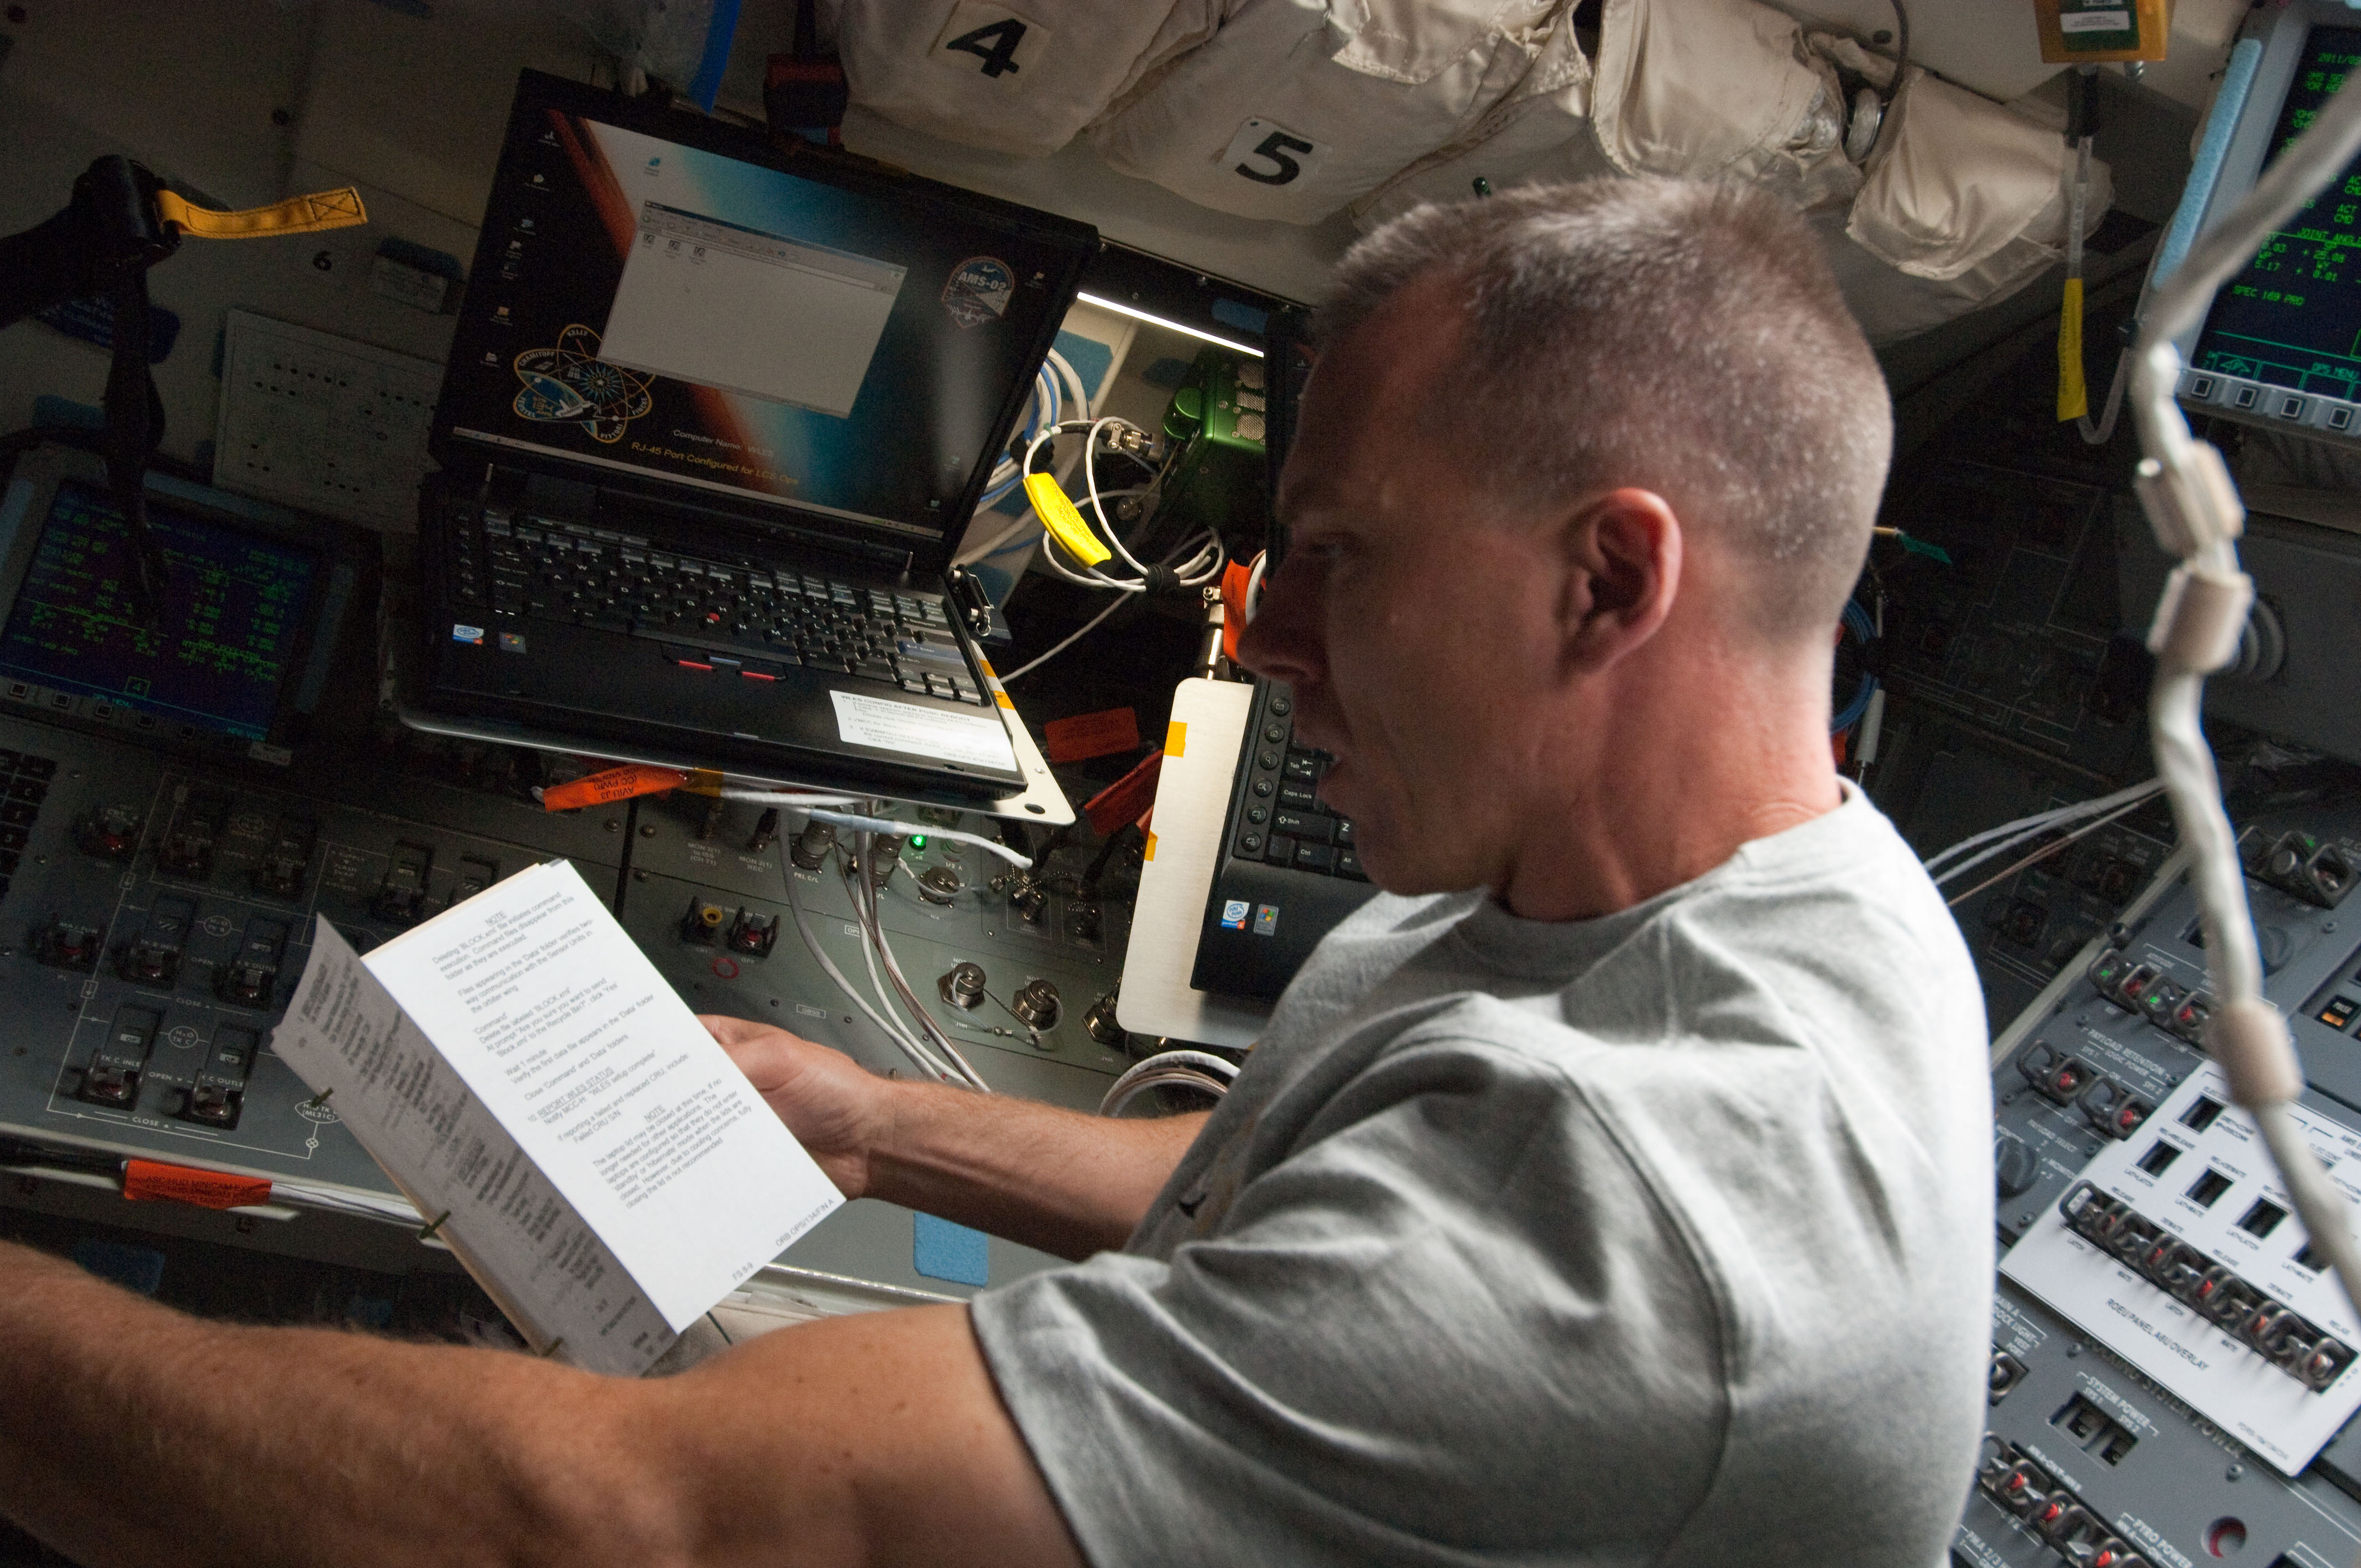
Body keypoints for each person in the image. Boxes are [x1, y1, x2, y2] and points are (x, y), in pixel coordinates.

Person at [0, 175, 1993, 1567]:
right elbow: (1291, 1194)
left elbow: (633, 1532)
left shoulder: (1647, 1242)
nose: (1264, 643)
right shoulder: (1772, 878)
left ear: (1611, 578)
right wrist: (875, 1123)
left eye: (1343, 561)